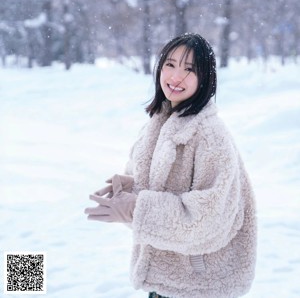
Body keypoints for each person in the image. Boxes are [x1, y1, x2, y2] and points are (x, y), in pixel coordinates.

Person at [84, 33, 257, 298]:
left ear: (205, 78)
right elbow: (161, 192)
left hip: (200, 285)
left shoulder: (210, 135)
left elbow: (210, 217)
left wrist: (134, 208)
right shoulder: (158, 123)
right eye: (170, 64)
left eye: (190, 69)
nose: (176, 76)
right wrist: (131, 188)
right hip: (165, 283)